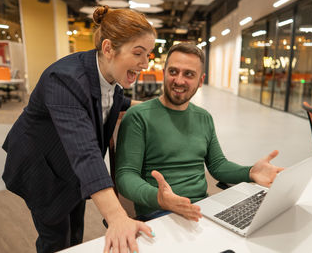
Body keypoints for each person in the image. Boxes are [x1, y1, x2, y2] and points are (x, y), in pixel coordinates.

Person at [2, 6, 156, 253]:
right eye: (139, 53)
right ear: (108, 48)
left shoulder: (109, 80)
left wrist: (157, 106)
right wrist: (117, 217)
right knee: (55, 238)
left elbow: (114, 101)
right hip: (41, 169)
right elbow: (85, 151)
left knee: (75, 232)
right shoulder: (65, 79)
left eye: (148, 54)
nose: (145, 63)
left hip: (70, 171)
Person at [115, 42, 284, 221]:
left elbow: (218, 165)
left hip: (202, 208)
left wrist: (250, 172)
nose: (179, 80)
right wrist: (159, 198)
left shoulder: (203, 117)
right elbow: (125, 176)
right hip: (160, 213)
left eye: (188, 74)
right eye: (173, 71)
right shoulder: (138, 117)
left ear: (201, 81)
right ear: (164, 73)